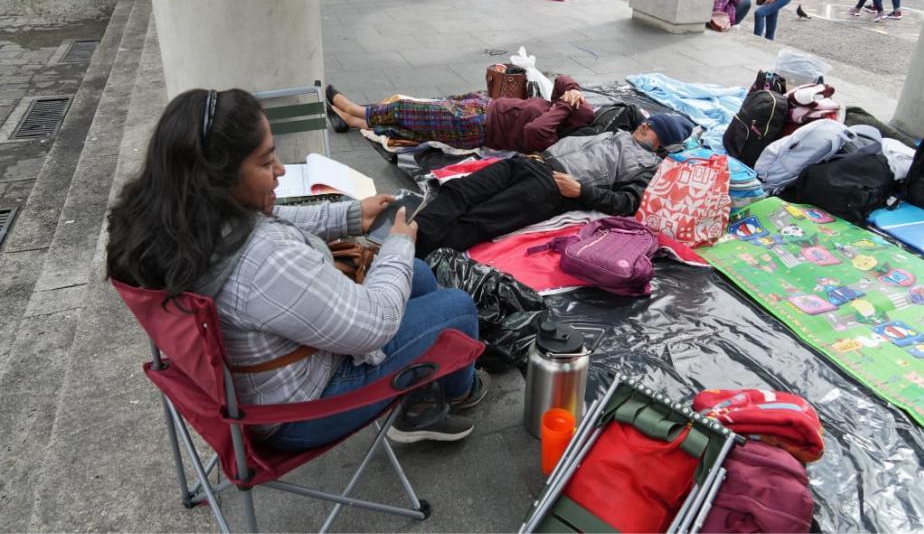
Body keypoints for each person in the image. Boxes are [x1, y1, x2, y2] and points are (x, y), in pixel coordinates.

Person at [106, 89, 486, 450]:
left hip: (254, 382)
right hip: (301, 411)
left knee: (417, 276)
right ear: (218, 177)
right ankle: (460, 393)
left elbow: (274, 217)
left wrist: (353, 214)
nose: (280, 169)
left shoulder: (181, 221)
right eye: (265, 160)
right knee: (457, 307)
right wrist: (400, 243)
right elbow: (375, 324)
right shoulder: (265, 261)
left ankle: (421, 397)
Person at [413, 113, 694, 257]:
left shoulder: (649, 166)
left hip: (552, 185)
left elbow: (626, 203)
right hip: (527, 162)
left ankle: (412, 260)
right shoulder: (614, 130)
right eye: (647, 121)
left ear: (663, 143)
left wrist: (581, 191)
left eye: (654, 128)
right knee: (460, 191)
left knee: (479, 219)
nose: (645, 125)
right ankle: (406, 241)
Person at [326, 75, 596, 153]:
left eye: (572, 107)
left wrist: (562, 106)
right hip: (481, 108)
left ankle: (352, 110)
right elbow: (562, 80)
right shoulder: (557, 111)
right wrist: (573, 90)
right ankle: (351, 120)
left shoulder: (551, 133)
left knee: (407, 110)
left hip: (474, 125)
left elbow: (533, 131)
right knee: (416, 123)